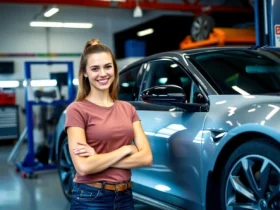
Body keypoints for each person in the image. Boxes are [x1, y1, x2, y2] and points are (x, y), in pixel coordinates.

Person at [64, 38, 153, 210]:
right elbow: (83, 166)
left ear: (114, 68)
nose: (103, 74)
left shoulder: (128, 108)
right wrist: (126, 149)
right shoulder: (77, 110)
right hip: (91, 197)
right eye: (95, 68)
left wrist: (97, 156)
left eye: (107, 66)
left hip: (125, 196)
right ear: (84, 73)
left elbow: (147, 158)